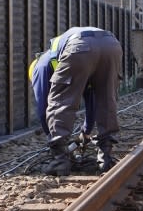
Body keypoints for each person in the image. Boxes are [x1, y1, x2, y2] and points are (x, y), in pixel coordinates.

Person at [29, 27, 123, 175]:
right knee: (106, 99)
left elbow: (44, 109)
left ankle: (60, 161)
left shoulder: (40, 67)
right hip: (111, 44)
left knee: (60, 101)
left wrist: (56, 142)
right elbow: (95, 101)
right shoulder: (68, 63)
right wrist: (86, 132)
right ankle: (106, 158)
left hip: (80, 47)